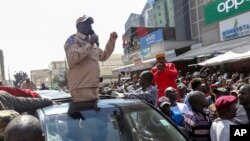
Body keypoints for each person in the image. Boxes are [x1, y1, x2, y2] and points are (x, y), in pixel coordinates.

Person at [64, 15, 118, 102]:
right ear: (78, 26)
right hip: (81, 87)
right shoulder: (73, 39)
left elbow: (103, 56)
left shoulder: (91, 41)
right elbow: (72, 58)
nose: (88, 26)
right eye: (85, 23)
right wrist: (90, 43)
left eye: (89, 24)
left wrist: (111, 41)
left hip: (93, 86)